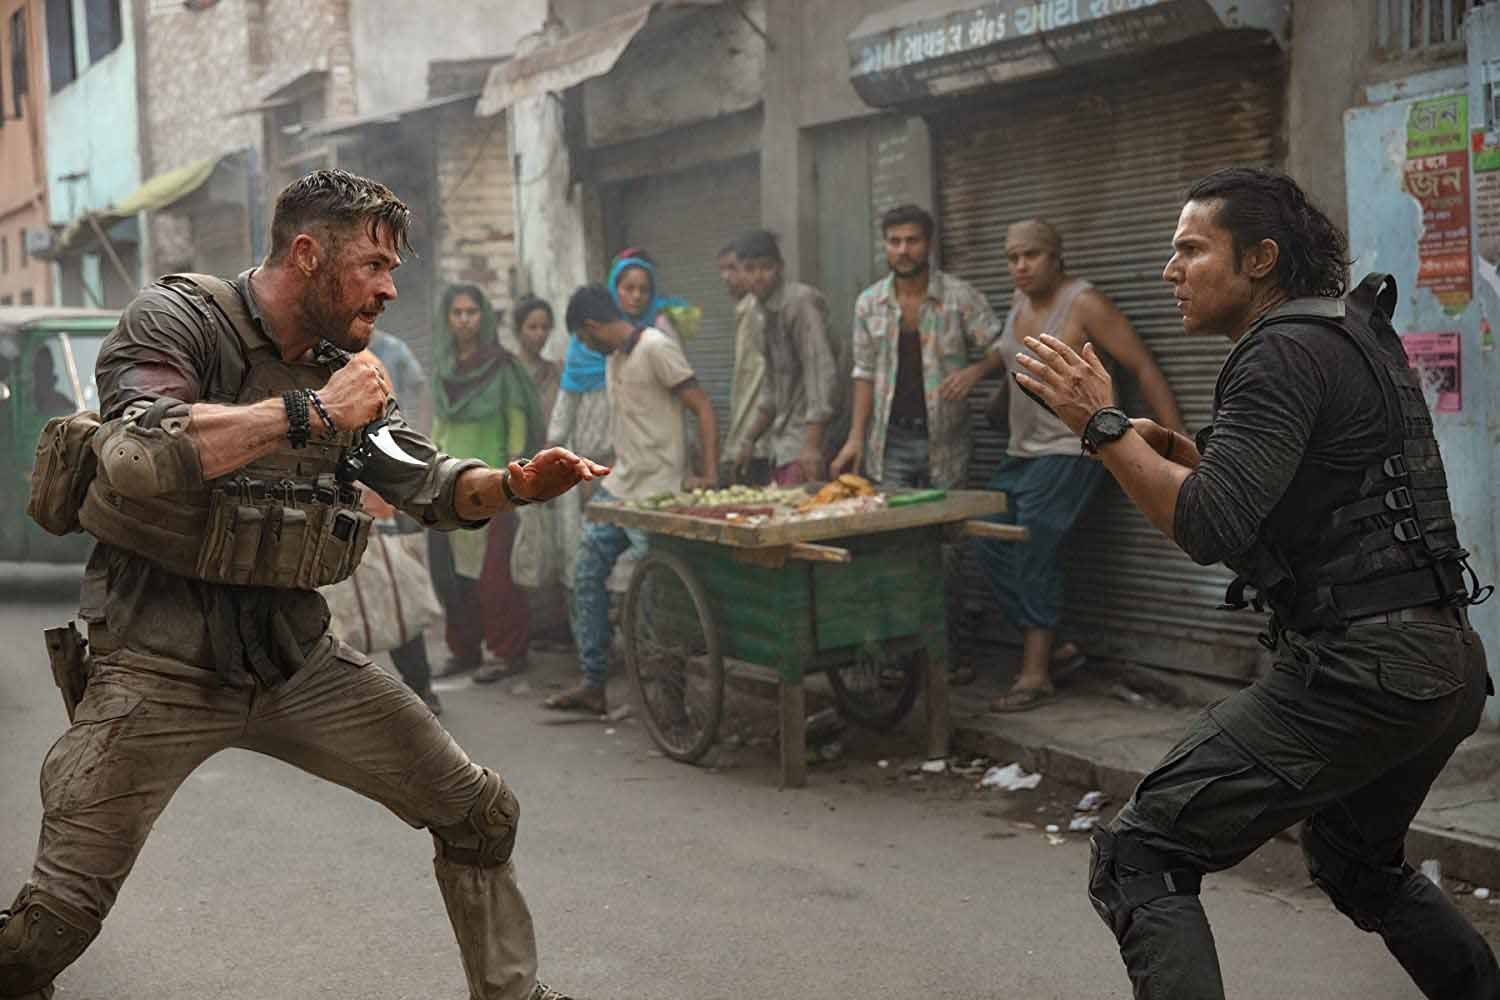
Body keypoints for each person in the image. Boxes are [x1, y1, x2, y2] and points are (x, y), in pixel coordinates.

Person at [0, 169, 605, 1000]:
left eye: (393, 269)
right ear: (309, 254)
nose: (391, 289)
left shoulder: (342, 366)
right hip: (156, 661)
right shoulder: (177, 321)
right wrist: (314, 412)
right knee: (48, 930)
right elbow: (139, 452)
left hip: (295, 658)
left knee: (479, 814)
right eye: (374, 266)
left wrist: (512, 485)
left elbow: (420, 480)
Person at [1017, 167, 1497, 999]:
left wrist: (1100, 425)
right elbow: (1292, 494)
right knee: (1355, 862)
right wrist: (1179, 455)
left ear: (1260, 259)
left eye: (1190, 250)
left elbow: (1209, 527)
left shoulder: (1276, 353)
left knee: (1141, 855)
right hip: (1443, 663)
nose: (1169, 270)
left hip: (1364, 671)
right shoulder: (1343, 332)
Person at [979, 218, 1184, 712]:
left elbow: (1142, 365)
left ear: (1056, 257)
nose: (1020, 266)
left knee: (1034, 547)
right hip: (1022, 451)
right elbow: (1013, 361)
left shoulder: (1084, 303)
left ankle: (1035, 674)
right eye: (1012, 258)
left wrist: (1177, 440)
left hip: (1072, 450)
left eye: (1031, 255)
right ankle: (1060, 646)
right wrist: (983, 384)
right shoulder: (1018, 301)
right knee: (987, 540)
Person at [543, 285, 720, 716]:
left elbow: (702, 407)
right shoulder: (614, 359)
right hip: (621, 488)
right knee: (587, 573)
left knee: (657, 595)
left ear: (591, 327)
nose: (586, 347)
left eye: (583, 339)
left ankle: (671, 699)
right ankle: (594, 681)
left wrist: (710, 475)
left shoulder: (657, 347)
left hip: (658, 493)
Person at [832, 203, 1003, 489]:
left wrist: (975, 371)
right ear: (885, 245)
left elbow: (1002, 348)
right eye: (894, 241)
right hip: (890, 441)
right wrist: (856, 437)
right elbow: (864, 373)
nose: (903, 250)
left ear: (929, 244)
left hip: (947, 441)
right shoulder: (869, 303)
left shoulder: (959, 296)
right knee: (894, 514)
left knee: (947, 516)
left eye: (912, 240)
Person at [426, 284, 546, 684]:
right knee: (454, 575)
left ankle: (507, 652)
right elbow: (440, 425)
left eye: (472, 312)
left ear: (484, 317)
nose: (464, 320)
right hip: (451, 482)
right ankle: (464, 650)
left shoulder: (503, 366)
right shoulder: (444, 368)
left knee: (497, 575)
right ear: (447, 319)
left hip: (493, 482)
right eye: (457, 312)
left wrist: (512, 476)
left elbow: (517, 421)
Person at [730, 229, 841, 485]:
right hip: (783, 441)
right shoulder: (756, 313)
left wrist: (812, 446)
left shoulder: (799, 302)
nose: (758, 276)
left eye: (765, 267)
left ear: (780, 267)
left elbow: (820, 375)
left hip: (811, 440)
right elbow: (771, 388)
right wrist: (748, 439)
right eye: (749, 269)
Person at [719, 242, 768, 484]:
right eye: (722, 270)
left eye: (732, 268)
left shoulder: (759, 312)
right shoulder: (744, 312)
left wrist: (748, 438)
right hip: (749, 436)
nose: (725, 277)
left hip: (762, 439)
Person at [367, 326, 430, 432]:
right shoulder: (345, 351)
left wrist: (422, 430)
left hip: (393, 428)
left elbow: (421, 387)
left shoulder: (394, 349)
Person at [513, 295, 561, 422]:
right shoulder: (506, 373)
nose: (540, 334)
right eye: (532, 327)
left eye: (545, 327)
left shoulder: (557, 373)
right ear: (518, 330)